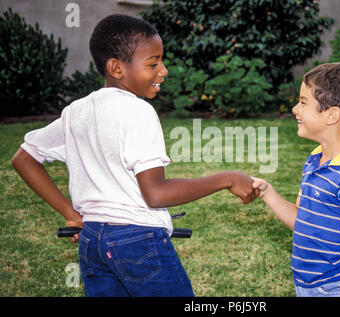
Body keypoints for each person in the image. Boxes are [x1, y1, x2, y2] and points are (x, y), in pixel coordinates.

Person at [11, 14, 258, 297]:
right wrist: (227, 178)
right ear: (116, 67)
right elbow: (156, 193)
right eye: (153, 63)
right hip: (139, 243)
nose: (163, 70)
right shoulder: (138, 111)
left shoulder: (75, 112)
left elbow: (24, 157)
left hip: (93, 243)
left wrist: (71, 214)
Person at [252, 62, 340, 297]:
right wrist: (267, 192)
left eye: (303, 102)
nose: (294, 109)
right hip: (308, 285)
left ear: (332, 115)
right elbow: (302, 221)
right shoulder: (314, 161)